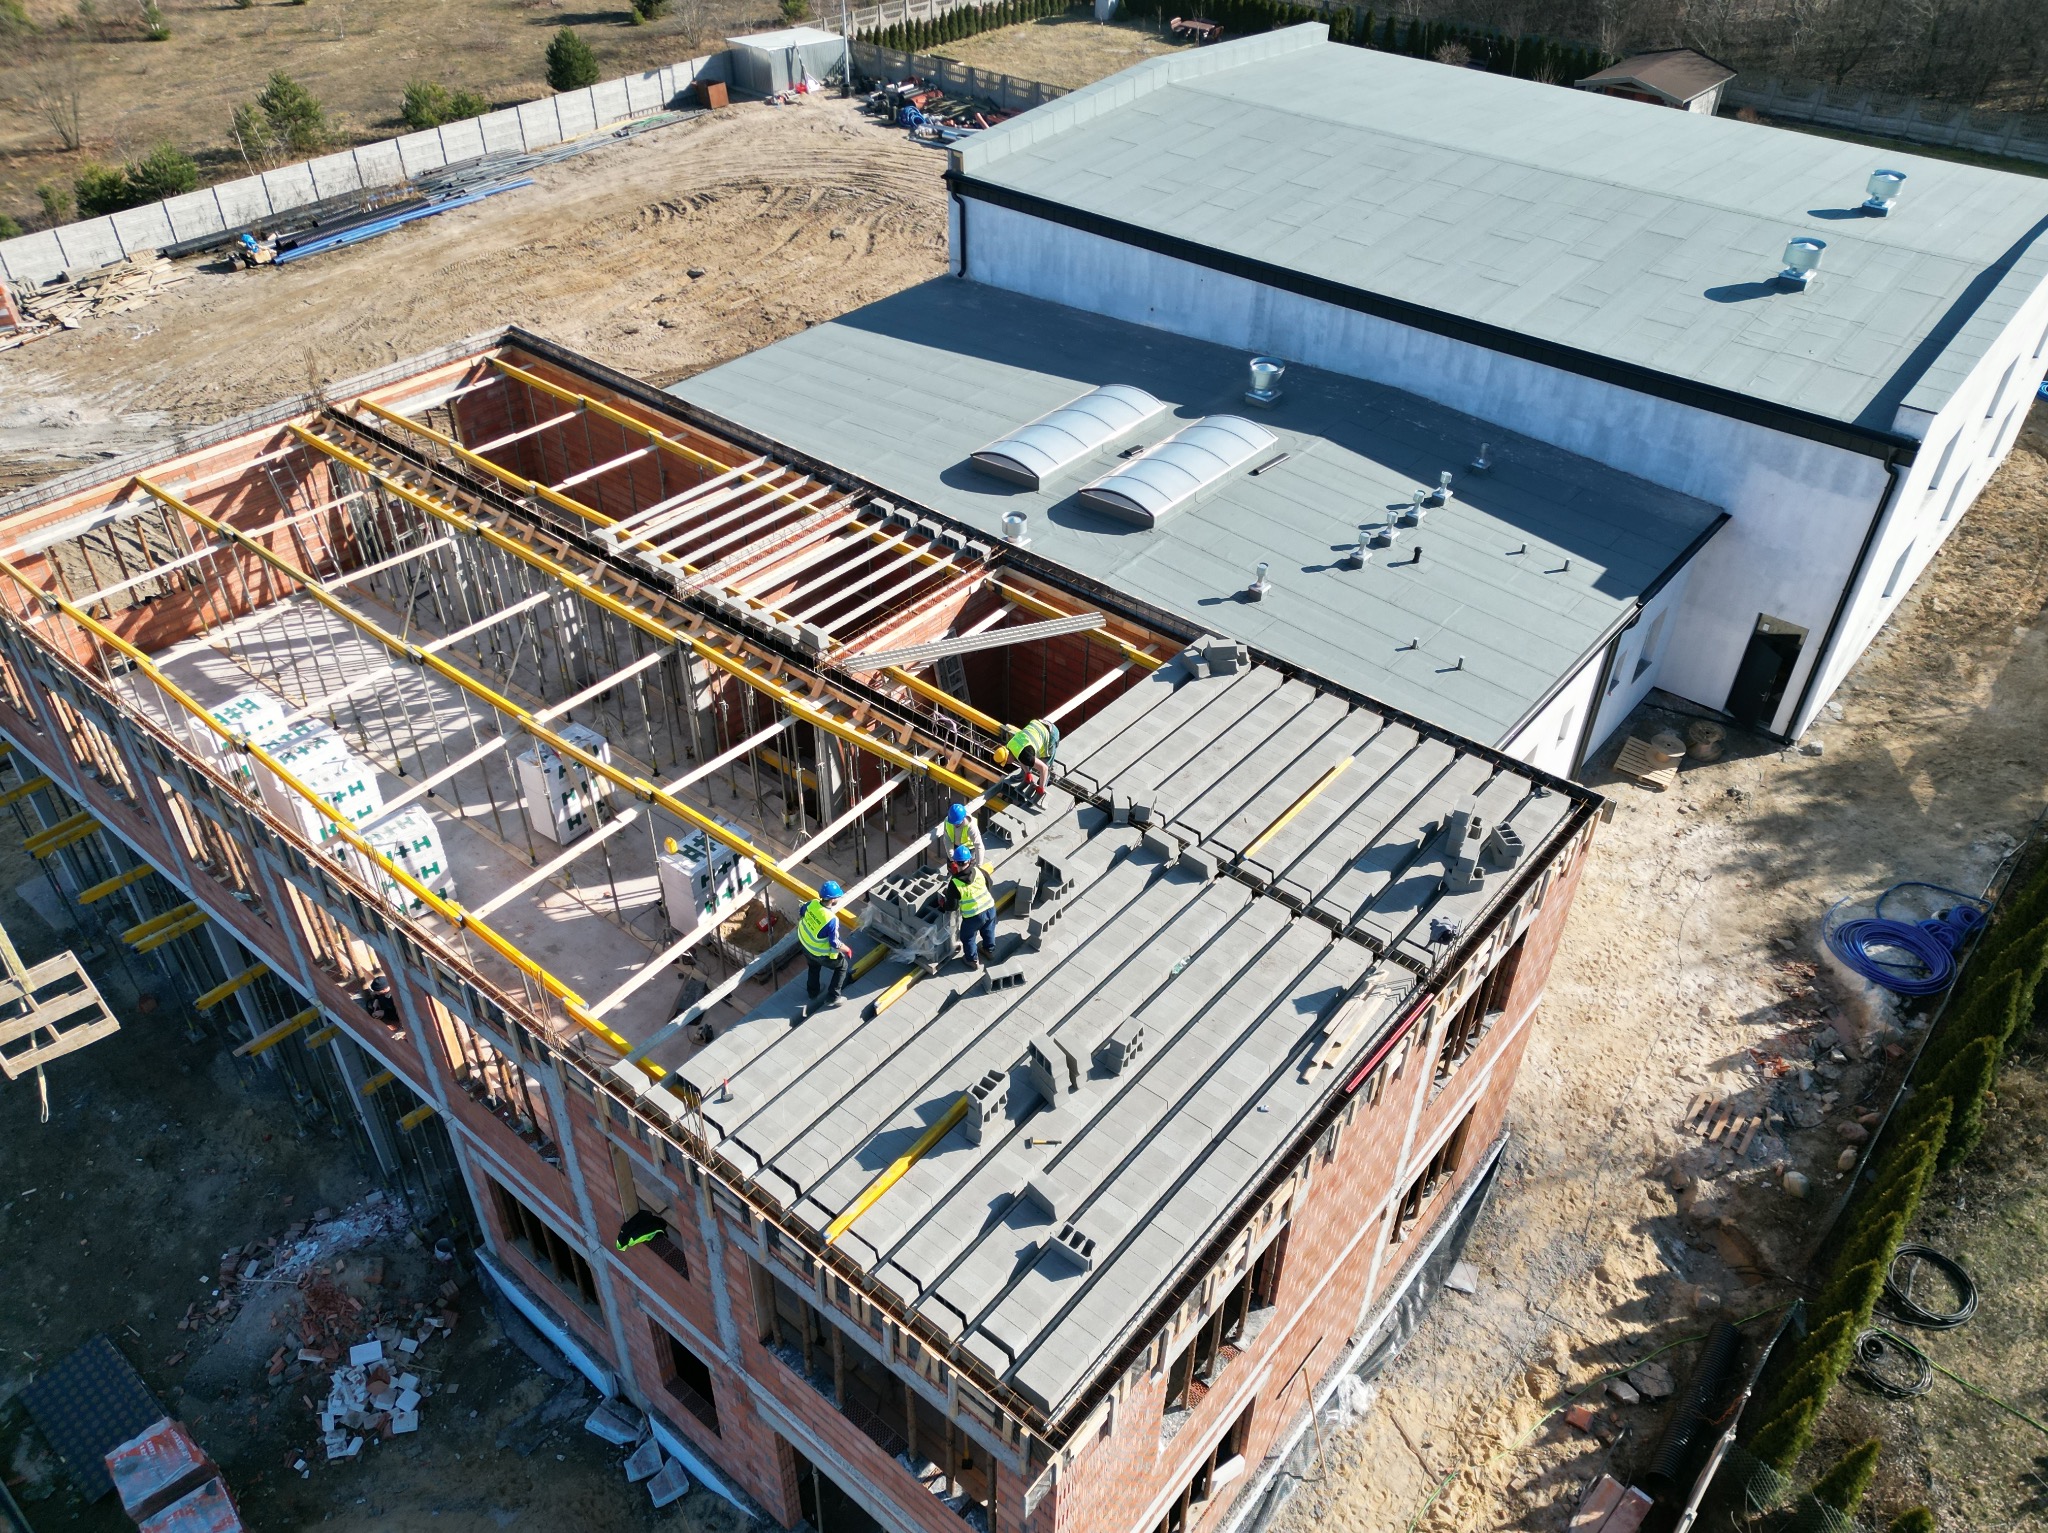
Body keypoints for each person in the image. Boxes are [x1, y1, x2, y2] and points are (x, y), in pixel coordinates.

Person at [798, 879, 853, 1018]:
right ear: (833, 899)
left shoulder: (812, 904)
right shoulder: (831, 919)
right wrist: (846, 949)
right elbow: (834, 942)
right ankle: (833, 997)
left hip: (805, 946)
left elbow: (802, 912)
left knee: (813, 967)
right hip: (819, 952)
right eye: (838, 897)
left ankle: (813, 993)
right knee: (842, 966)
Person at [940, 844, 997, 968]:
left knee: (968, 937)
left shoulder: (955, 883)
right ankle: (989, 950)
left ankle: (972, 960)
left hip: (974, 916)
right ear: (970, 860)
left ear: (955, 863)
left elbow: (952, 906)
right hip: (990, 908)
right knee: (988, 930)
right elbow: (990, 883)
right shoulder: (979, 870)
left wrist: (943, 904)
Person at [995, 718, 1059, 796]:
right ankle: (1027, 776)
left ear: (1007, 756)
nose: (1008, 763)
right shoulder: (1010, 745)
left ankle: (1044, 785)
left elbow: (1043, 768)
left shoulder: (1025, 756)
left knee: (1045, 764)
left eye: (1007, 761)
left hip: (1051, 734)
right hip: (1039, 724)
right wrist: (1027, 772)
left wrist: (1041, 787)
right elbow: (1019, 756)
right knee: (1028, 759)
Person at [934, 802, 983, 867]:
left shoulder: (971, 826)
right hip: (955, 847)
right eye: (953, 823)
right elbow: (947, 840)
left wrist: (979, 867)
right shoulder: (948, 821)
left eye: (956, 823)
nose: (954, 825)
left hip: (969, 850)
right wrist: (952, 859)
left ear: (963, 819)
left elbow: (979, 846)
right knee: (952, 868)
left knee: (967, 869)